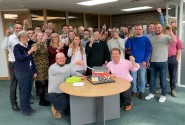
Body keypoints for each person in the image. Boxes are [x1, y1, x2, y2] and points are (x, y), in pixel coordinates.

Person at [145, 22, 177, 103]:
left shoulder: (166, 37)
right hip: (153, 62)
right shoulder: (151, 39)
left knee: (163, 80)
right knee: (152, 80)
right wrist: (148, 60)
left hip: (163, 62)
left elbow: (174, 41)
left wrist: (170, 31)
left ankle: (163, 95)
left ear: (162, 28)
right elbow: (150, 50)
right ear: (153, 29)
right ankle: (151, 93)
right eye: (155, 28)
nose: (157, 29)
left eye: (159, 27)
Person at [48, 52, 85, 118]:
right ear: (55, 59)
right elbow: (62, 71)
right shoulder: (52, 68)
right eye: (59, 58)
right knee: (66, 105)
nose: (61, 59)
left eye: (63, 58)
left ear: (65, 58)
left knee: (74, 102)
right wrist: (74, 62)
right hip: (55, 93)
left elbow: (73, 72)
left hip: (65, 91)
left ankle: (64, 106)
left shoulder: (66, 66)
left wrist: (80, 75)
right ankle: (54, 107)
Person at [13, 31, 37, 115]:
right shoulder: (17, 47)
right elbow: (19, 58)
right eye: (22, 37)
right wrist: (30, 51)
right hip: (22, 72)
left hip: (29, 71)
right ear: (19, 38)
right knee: (24, 91)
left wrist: (34, 71)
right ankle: (24, 109)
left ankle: (28, 107)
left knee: (28, 91)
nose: (24, 39)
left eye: (26, 37)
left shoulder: (27, 46)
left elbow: (31, 60)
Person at [125, 24, 151, 99]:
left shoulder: (145, 39)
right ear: (134, 30)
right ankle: (134, 90)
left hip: (142, 62)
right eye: (137, 29)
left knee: (142, 78)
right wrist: (129, 38)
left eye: (140, 29)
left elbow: (148, 50)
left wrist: (145, 60)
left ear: (142, 30)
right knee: (133, 78)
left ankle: (141, 91)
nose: (138, 30)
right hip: (133, 62)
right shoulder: (132, 38)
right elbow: (127, 47)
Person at [1, 22, 23, 111]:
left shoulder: (23, 37)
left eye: (20, 28)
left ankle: (24, 100)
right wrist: (6, 35)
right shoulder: (10, 38)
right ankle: (14, 103)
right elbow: (3, 47)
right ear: (13, 29)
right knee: (14, 84)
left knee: (23, 83)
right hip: (14, 63)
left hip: (23, 64)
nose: (18, 29)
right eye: (16, 28)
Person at [32, 32, 50, 106]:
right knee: (42, 83)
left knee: (44, 83)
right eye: (39, 36)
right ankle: (41, 101)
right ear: (36, 37)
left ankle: (43, 98)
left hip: (45, 67)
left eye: (42, 36)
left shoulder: (44, 45)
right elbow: (34, 55)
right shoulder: (35, 45)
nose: (40, 37)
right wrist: (41, 42)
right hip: (39, 67)